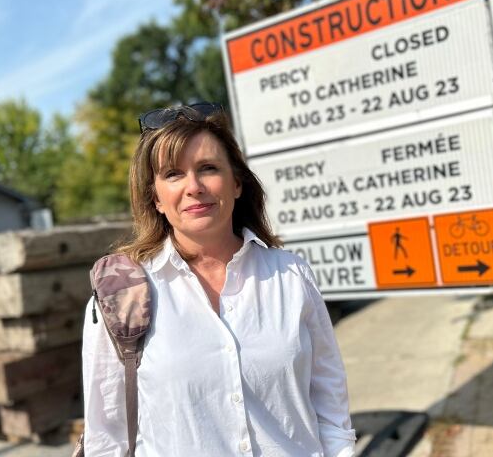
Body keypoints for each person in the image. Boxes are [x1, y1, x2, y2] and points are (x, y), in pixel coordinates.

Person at [81, 104, 356, 456]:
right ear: (156, 198)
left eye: (208, 168)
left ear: (237, 183)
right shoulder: (121, 295)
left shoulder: (291, 275)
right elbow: (106, 437)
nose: (194, 187)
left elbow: (330, 406)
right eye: (173, 174)